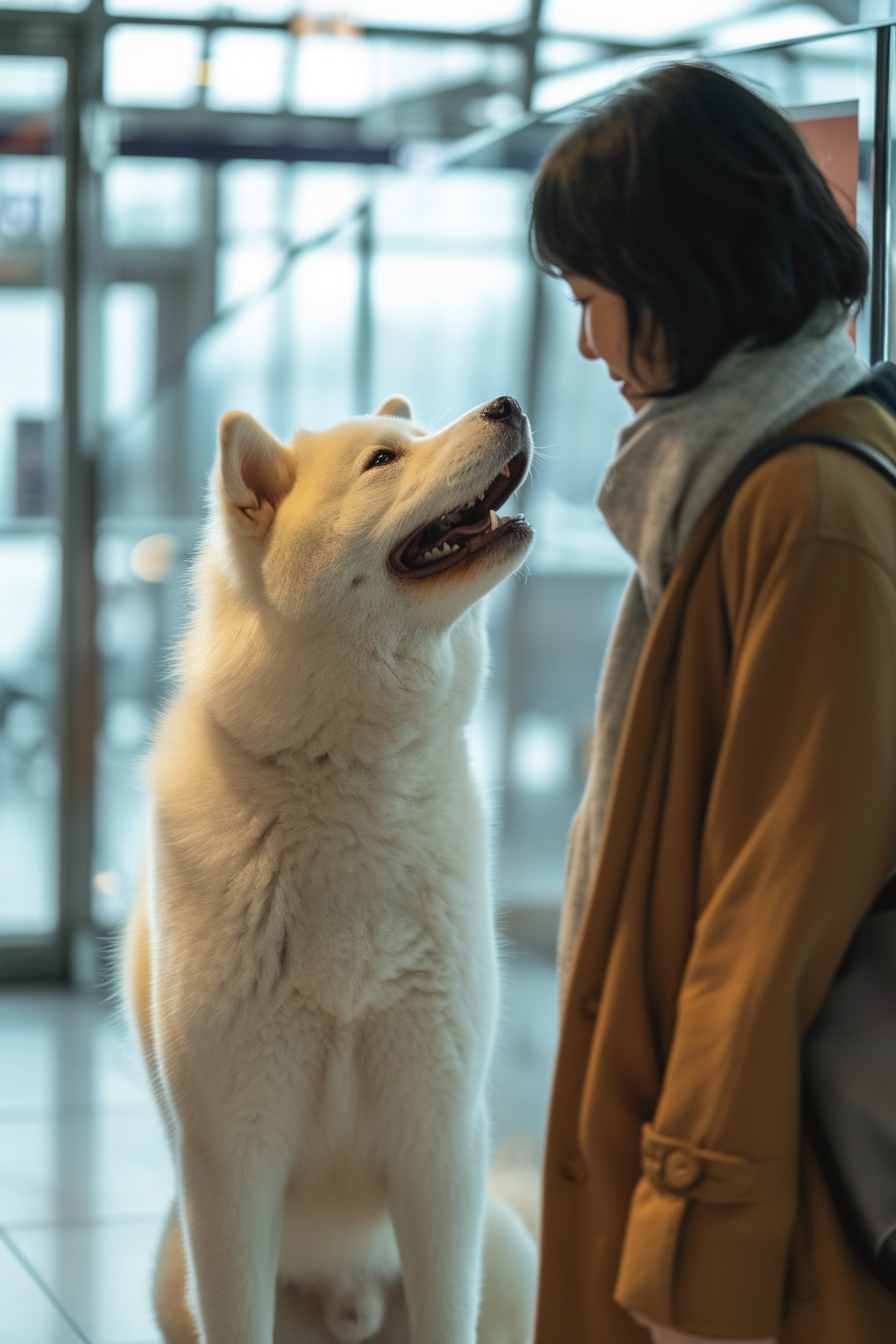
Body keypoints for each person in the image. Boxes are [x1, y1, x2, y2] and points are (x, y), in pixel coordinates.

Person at [528, 63, 896, 1344]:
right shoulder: (731, 488)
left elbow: (771, 919)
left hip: (767, 1222)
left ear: (677, 272)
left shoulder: (805, 509)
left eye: (593, 298)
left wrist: (695, 1243)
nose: (587, 344)